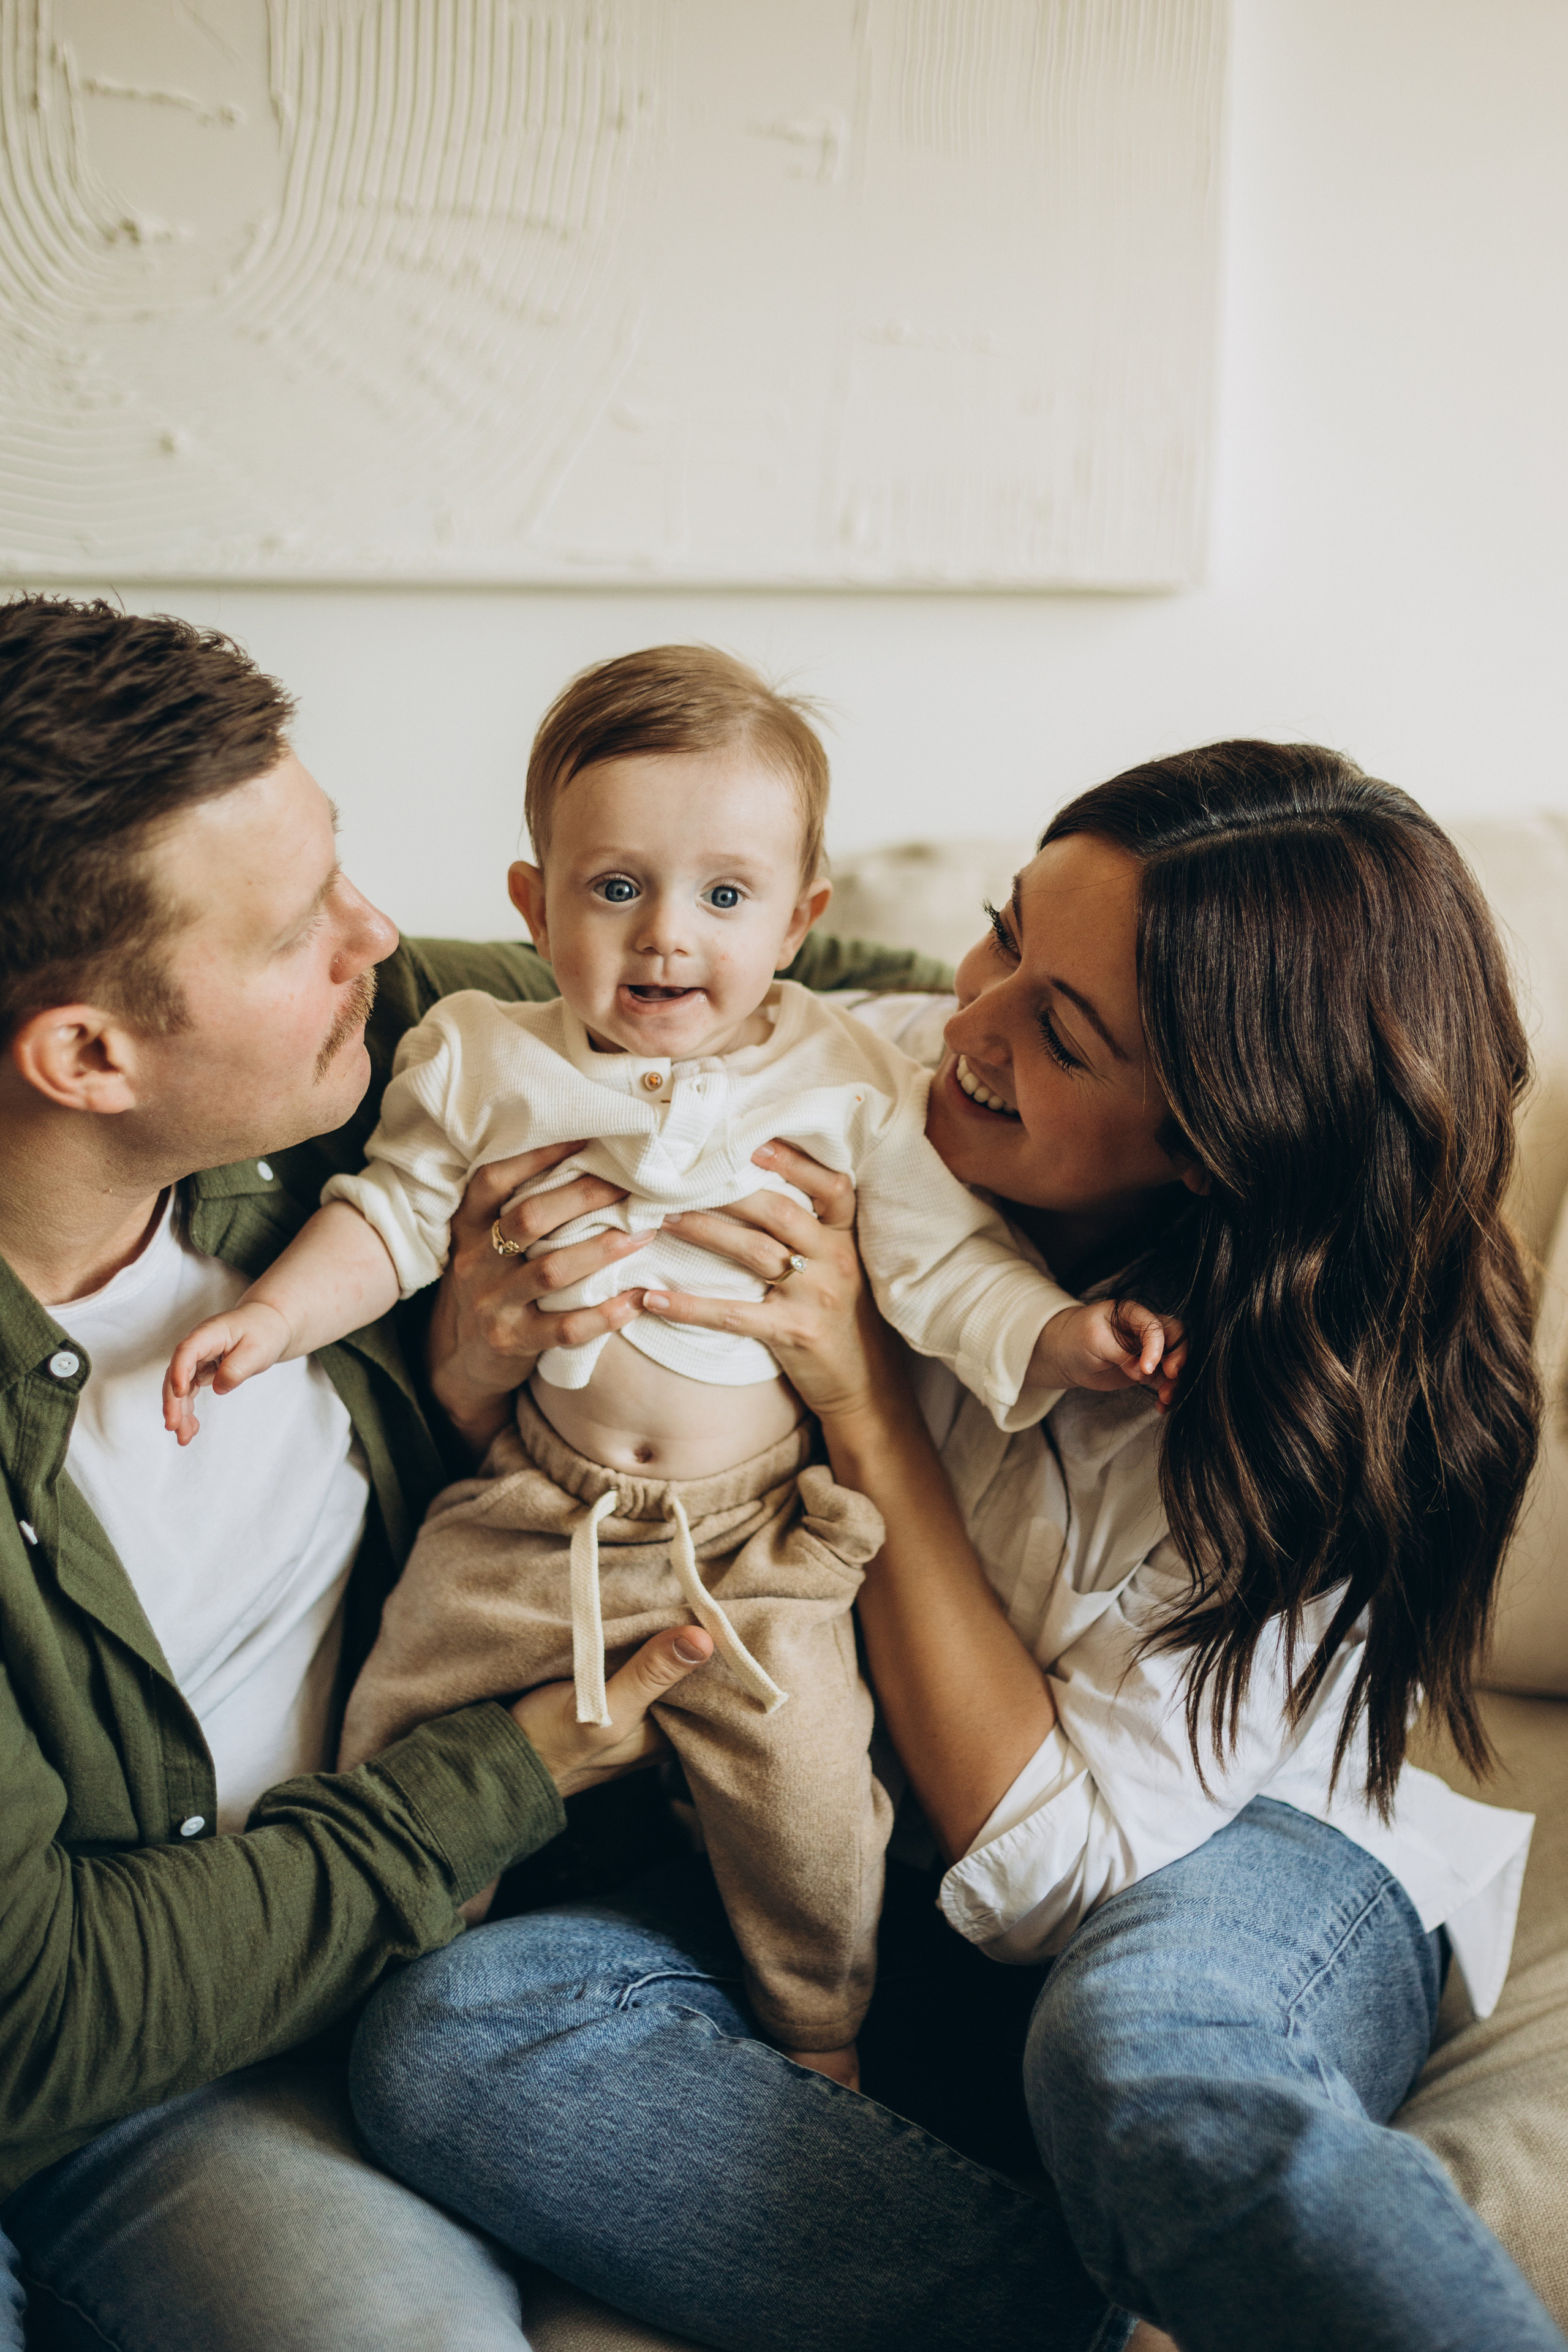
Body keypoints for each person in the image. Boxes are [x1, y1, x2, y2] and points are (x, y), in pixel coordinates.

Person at [348, 743, 1568, 2352]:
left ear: (1215, 1139)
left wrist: (867, 1397)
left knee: (1141, 2047)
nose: (966, 1023)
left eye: (1059, 1034)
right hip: (842, 1835)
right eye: (1003, 935)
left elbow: (1058, 1882)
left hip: (1226, 1858)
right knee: (458, 2034)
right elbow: (559, 966)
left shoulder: (1304, 1414)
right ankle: (1084, 2318)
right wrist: (471, 1363)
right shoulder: (865, 1065)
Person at [0, 595, 947, 2351]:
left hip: (250, 2064)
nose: (382, 932)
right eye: (303, 928)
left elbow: (840, 1002)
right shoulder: (356, 1082)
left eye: (342, 866)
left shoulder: (346, 1061)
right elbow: (41, 2021)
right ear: (89, 1058)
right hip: (86, 2048)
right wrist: (511, 1766)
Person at [161, 646, 1182, 2089]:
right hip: (529, 1512)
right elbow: (385, 1216)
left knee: (816, 1799)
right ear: (533, 903)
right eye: (615, 887)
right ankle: (381, 1969)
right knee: (392, 1719)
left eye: (723, 897)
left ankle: (819, 2037)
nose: (665, 940)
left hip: (753, 1538)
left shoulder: (848, 1080)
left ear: (800, 919)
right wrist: (268, 1322)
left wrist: (1063, 1339)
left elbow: (940, 1266)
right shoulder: (477, 1054)